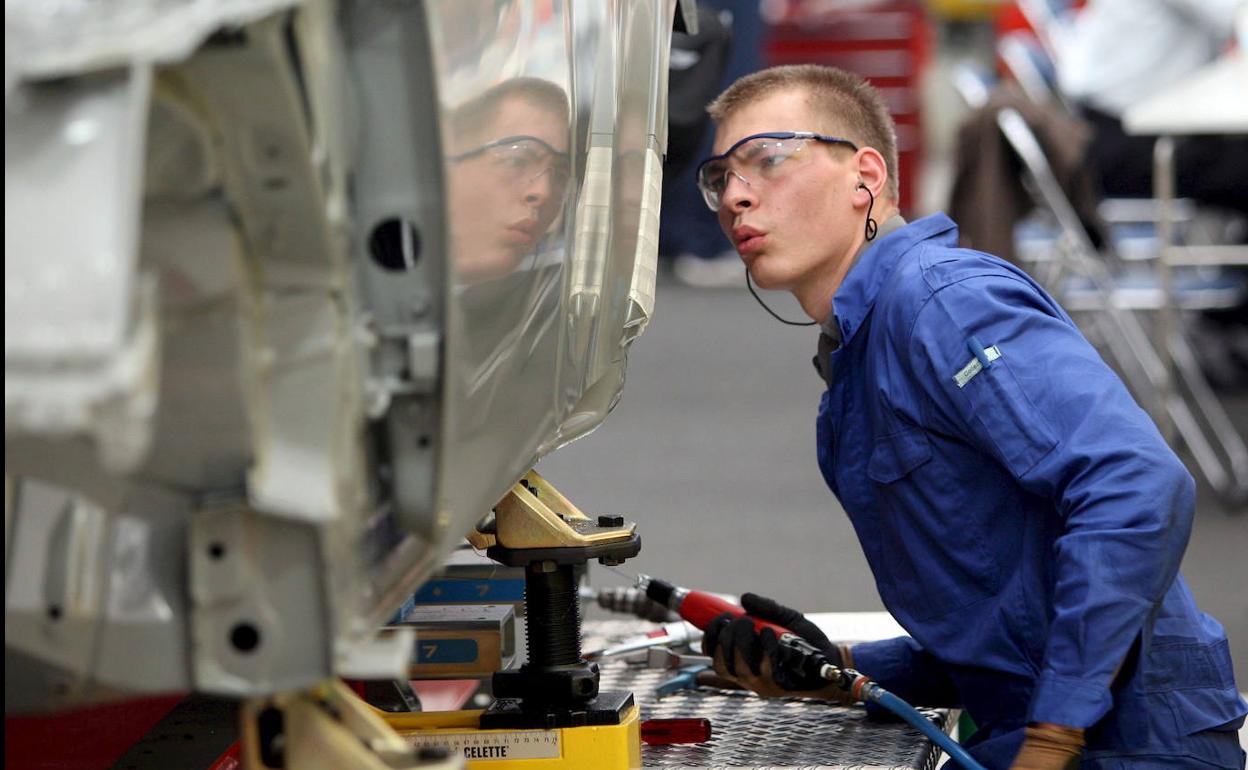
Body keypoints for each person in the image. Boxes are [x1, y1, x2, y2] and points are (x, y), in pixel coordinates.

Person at [693, 64, 1247, 769]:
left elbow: (1137, 485)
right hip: (1048, 728)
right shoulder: (854, 374)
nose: (735, 195)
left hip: (1135, 743)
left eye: (766, 160)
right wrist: (833, 667)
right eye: (720, 177)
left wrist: (1056, 732)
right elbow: (1001, 637)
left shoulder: (943, 304)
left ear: (864, 176)